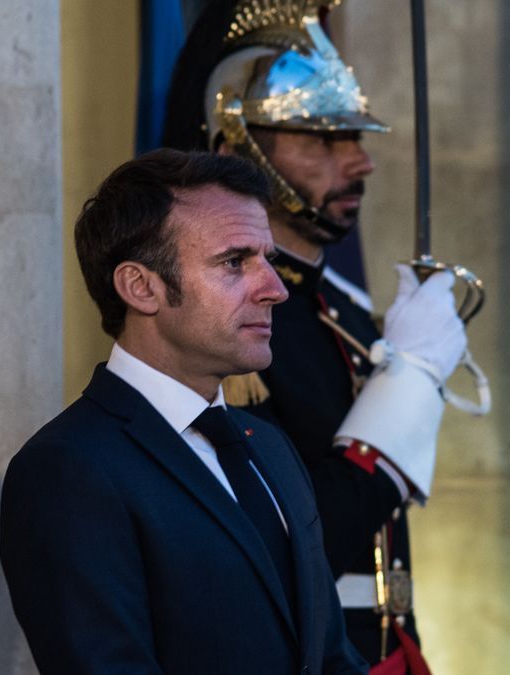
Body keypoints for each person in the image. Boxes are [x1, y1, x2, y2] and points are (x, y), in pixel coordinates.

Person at [163, 2, 469, 672]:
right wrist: (408, 384)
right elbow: (286, 540)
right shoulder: (227, 324)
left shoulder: (345, 312)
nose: (359, 163)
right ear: (235, 149)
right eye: (323, 140)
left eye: (356, 138)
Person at [0, 148, 367, 675]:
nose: (276, 289)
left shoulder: (269, 447)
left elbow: (330, 659)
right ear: (141, 287)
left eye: (270, 261)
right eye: (235, 262)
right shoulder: (69, 469)